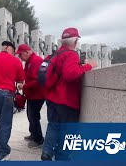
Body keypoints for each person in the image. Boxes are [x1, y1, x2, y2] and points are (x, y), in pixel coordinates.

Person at [41, 28, 98, 161]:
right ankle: (62, 158)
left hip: (52, 98)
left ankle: (47, 152)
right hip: (66, 100)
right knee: (67, 132)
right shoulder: (71, 54)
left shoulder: (55, 54)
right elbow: (70, 74)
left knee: (53, 126)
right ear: (75, 41)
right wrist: (89, 66)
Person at [15, 44, 46, 149]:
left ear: (27, 52)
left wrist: (24, 86)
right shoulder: (29, 62)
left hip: (37, 94)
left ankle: (39, 140)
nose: (19, 57)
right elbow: (24, 74)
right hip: (32, 94)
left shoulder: (36, 61)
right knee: (30, 115)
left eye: (20, 54)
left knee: (33, 116)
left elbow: (38, 81)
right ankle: (33, 134)